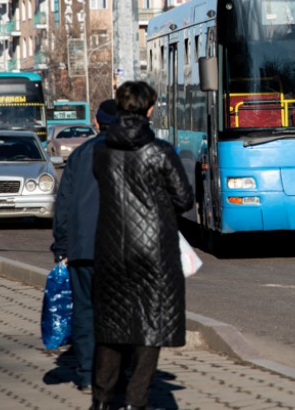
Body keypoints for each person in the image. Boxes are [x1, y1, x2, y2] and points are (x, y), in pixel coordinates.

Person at [89, 81, 194, 410]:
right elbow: (184, 198)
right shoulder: (159, 151)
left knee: (111, 325)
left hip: (110, 249)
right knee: (152, 325)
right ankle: (136, 401)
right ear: (149, 109)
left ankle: (103, 400)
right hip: (155, 252)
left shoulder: (100, 151)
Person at [50, 99, 118, 394]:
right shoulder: (130, 154)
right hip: (119, 249)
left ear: (97, 123)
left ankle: (88, 374)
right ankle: (117, 373)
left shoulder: (79, 156)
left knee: (85, 310)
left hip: (81, 250)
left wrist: (61, 247)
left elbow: (63, 205)